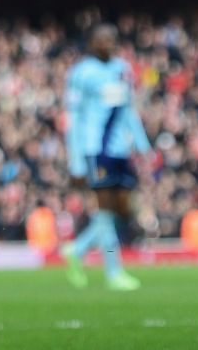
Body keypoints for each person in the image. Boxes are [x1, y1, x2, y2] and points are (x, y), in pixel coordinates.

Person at [61, 23, 149, 291]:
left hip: (119, 149)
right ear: (92, 43)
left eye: (112, 39)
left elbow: (129, 109)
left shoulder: (122, 69)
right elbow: (72, 117)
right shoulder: (81, 73)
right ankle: (114, 273)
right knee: (105, 211)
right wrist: (75, 159)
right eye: (102, 39)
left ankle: (77, 249)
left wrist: (143, 144)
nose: (108, 43)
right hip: (94, 149)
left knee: (119, 210)